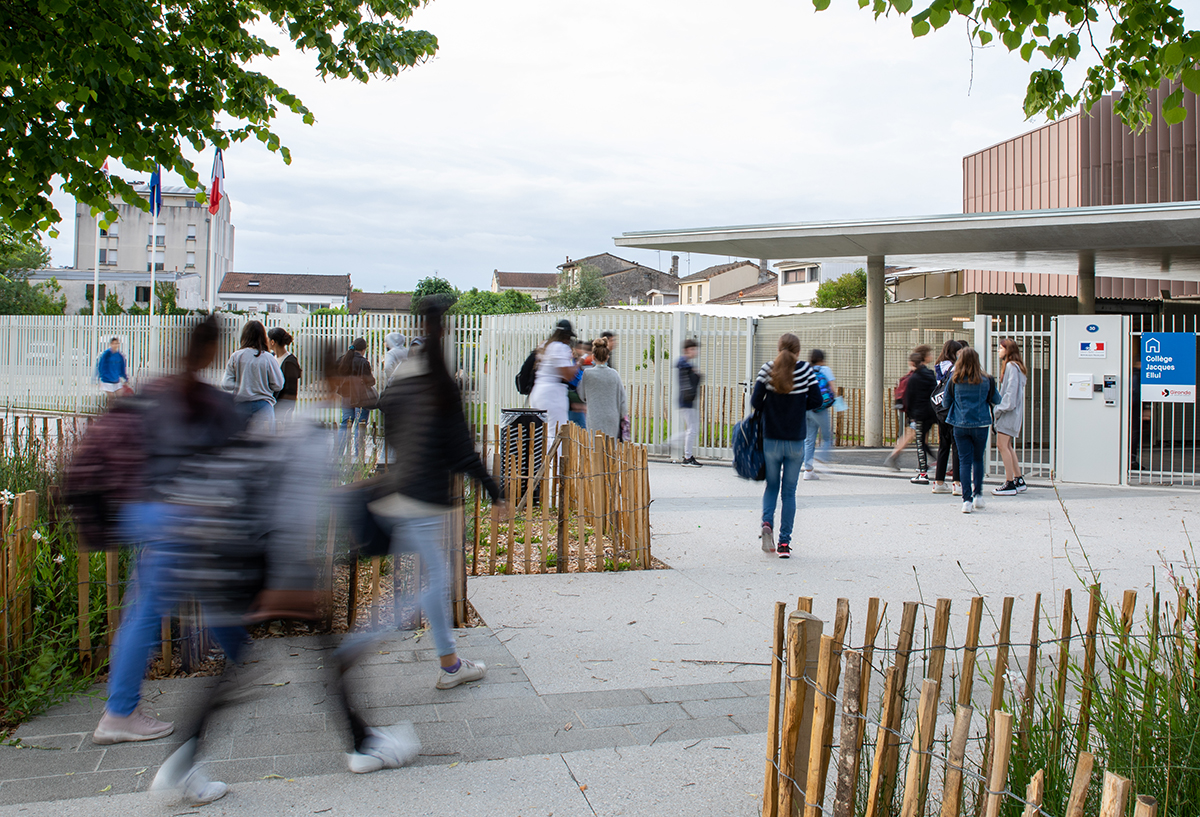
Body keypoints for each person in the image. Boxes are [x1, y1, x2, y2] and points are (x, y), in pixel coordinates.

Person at [337, 297, 510, 774]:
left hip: (395, 492)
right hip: (426, 499)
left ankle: (451, 665)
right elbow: (460, 447)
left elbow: (391, 431)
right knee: (429, 585)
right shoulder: (440, 385)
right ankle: (353, 647)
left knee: (430, 578)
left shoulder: (398, 384)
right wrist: (494, 490)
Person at [93, 316, 245, 803]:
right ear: (212, 353)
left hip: (142, 511)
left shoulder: (156, 390)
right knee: (152, 607)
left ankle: (241, 654)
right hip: (175, 517)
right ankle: (120, 712)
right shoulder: (202, 399)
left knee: (170, 597)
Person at [752, 333, 822, 558]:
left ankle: (766, 523)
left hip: (771, 439)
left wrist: (771, 406)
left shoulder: (767, 369)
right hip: (795, 440)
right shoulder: (805, 371)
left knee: (771, 486)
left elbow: (755, 402)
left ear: (778, 347)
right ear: (798, 351)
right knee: (789, 492)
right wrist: (799, 405)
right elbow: (817, 401)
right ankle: (784, 544)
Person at [945, 347, 1001, 514]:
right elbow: (996, 399)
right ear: (977, 361)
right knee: (978, 460)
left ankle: (966, 501)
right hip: (981, 424)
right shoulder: (987, 379)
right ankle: (978, 496)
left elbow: (945, 403)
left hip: (960, 424)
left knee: (964, 462)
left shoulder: (954, 380)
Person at [223, 321, 284, 430]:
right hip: (264, 407)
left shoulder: (236, 356)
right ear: (263, 336)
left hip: (240, 406)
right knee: (266, 444)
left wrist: (242, 383)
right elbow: (278, 385)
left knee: (239, 443)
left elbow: (226, 384)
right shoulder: (268, 358)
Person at [528, 319, 578, 443]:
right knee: (556, 432)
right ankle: (553, 462)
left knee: (541, 433)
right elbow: (567, 375)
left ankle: (542, 460)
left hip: (538, 392)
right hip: (552, 395)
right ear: (566, 336)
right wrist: (579, 364)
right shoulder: (559, 347)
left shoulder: (544, 345)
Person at [991, 338, 1028, 496]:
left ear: (1008, 350)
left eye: (1001, 348)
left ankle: (1009, 482)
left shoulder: (1011, 367)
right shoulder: (1017, 367)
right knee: (1008, 446)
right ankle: (1018, 479)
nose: (999, 351)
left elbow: (1010, 394)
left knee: (1002, 445)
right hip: (1013, 412)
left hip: (1008, 412)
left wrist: (998, 410)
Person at [931, 339, 964, 495]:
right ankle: (957, 483)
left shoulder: (939, 366)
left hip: (941, 411)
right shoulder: (955, 367)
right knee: (957, 446)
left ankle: (939, 482)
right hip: (953, 410)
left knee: (943, 446)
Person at [577, 337, 627, 439]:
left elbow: (582, 395)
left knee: (595, 447)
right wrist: (623, 416)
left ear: (593, 357)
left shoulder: (587, 374)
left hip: (594, 416)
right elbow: (622, 398)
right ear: (607, 357)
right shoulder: (614, 374)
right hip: (612, 417)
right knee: (610, 448)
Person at [901, 346, 937, 485]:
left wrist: (910, 415)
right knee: (924, 441)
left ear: (912, 364)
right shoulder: (930, 374)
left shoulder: (913, 378)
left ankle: (923, 473)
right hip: (930, 413)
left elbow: (909, 398)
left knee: (920, 444)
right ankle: (934, 461)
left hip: (919, 414)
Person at [336, 338, 376, 458]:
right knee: (360, 424)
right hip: (361, 398)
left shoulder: (342, 360)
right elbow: (370, 382)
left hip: (346, 396)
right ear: (364, 349)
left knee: (345, 424)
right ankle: (359, 455)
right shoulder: (363, 362)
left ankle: (339, 453)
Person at [802, 349, 835, 479]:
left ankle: (808, 471)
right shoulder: (825, 370)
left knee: (809, 439)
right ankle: (820, 458)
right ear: (822, 359)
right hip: (820, 409)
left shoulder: (806, 370)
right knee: (827, 437)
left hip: (807, 409)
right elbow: (832, 388)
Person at [673, 339, 702, 466]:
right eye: (692, 349)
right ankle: (687, 457)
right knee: (692, 429)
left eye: (695, 349)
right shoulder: (683, 364)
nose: (695, 351)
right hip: (686, 400)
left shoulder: (686, 364)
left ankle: (685, 454)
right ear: (686, 350)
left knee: (692, 428)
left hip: (688, 400)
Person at [267, 327, 301, 424]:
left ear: (272, 342)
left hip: (281, 409)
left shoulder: (290, 362)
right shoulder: (271, 357)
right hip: (270, 404)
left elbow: (291, 390)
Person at [96, 337, 129, 404]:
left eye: (117, 343)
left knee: (119, 398)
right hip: (107, 380)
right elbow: (101, 366)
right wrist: (100, 376)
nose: (115, 345)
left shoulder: (119, 356)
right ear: (111, 344)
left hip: (116, 380)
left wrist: (125, 378)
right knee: (111, 398)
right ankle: (110, 412)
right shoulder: (106, 354)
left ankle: (117, 413)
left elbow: (122, 368)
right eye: (114, 344)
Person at [567, 340, 592, 429]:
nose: (582, 352)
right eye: (580, 349)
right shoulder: (573, 363)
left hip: (579, 402)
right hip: (574, 401)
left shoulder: (583, 364)